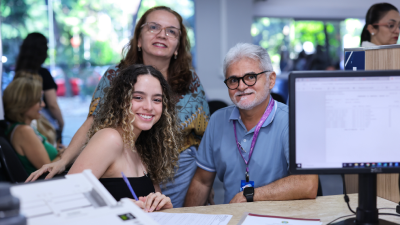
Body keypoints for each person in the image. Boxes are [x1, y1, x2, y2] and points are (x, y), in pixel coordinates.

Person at [27, 6, 210, 208]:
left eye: (171, 31)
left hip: (176, 168)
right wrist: (64, 160)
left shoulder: (190, 81)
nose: (162, 35)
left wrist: (205, 183)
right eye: (154, 27)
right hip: (123, 162)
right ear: (139, 40)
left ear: (178, 46)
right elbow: (93, 120)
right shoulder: (116, 82)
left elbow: (205, 135)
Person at [184, 43, 318, 206]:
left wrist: (249, 194)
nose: (241, 86)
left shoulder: (293, 120)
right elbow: (202, 182)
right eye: (233, 80)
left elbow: (308, 184)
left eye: (250, 77)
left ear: (271, 80)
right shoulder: (217, 120)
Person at [68, 65, 179, 211]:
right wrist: (115, 208)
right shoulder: (109, 138)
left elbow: (154, 210)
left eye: (157, 100)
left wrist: (163, 205)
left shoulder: (143, 148)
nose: (149, 106)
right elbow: (66, 197)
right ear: (121, 101)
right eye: (138, 97)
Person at [3, 76, 60, 174]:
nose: (43, 105)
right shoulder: (24, 131)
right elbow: (48, 171)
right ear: (24, 103)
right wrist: (63, 155)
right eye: (39, 100)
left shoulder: (21, 128)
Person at [15, 32, 64, 142]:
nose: (42, 103)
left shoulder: (18, 73)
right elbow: (52, 105)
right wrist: (61, 123)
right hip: (43, 125)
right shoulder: (42, 74)